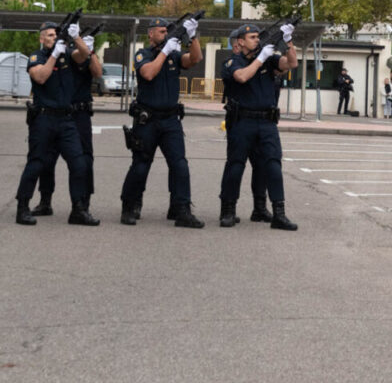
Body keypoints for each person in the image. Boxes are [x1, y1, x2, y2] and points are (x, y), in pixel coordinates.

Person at [118, 17, 205, 228]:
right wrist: (165, 50)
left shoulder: (174, 55)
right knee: (141, 165)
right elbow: (148, 74)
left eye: (167, 31)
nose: (165, 34)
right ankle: (130, 206)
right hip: (147, 120)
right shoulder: (143, 54)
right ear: (150, 34)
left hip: (170, 120)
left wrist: (193, 37)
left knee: (179, 165)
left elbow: (195, 59)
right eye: (161, 31)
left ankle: (181, 208)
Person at [15, 21, 99, 226]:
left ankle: (78, 209)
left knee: (79, 164)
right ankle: (23, 207)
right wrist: (54, 54)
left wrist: (77, 38)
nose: (54, 38)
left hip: (66, 119)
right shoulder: (37, 57)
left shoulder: (67, 55)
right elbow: (41, 77)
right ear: (42, 38)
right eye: (51, 35)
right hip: (44, 118)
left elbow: (85, 57)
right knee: (36, 163)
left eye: (56, 35)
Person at [219, 23, 300, 231]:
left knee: (272, 165)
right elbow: (242, 77)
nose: (257, 40)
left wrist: (289, 42)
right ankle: (228, 210)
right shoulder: (232, 61)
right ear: (240, 42)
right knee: (236, 165)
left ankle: (278, 213)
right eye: (252, 37)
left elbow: (291, 64)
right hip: (242, 122)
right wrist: (261, 57)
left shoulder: (269, 59)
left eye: (258, 37)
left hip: (266, 122)